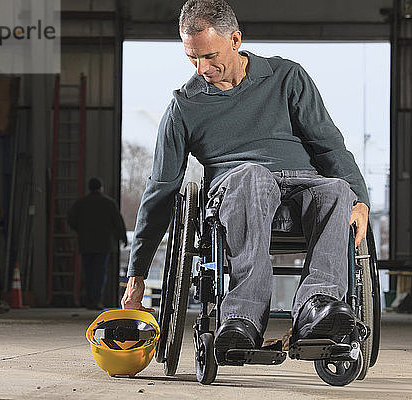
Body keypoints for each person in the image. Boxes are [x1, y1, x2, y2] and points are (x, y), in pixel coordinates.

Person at [122, 0, 370, 359]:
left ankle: (318, 307)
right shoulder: (184, 106)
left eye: (209, 56)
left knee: (335, 190)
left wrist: (359, 199)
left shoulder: (287, 77)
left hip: (301, 186)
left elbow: (330, 146)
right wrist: (136, 277)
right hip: (239, 189)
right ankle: (242, 319)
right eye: (192, 57)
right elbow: (160, 189)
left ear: (235, 39)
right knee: (253, 177)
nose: (201, 67)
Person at [68, 177, 127, 310]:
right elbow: (118, 222)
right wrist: (122, 238)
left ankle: (89, 300)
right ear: (101, 188)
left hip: (86, 244)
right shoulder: (109, 203)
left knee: (88, 273)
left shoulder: (81, 203)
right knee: (99, 273)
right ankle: (97, 300)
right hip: (103, 245)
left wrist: (80, 230)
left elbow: (71, 219)